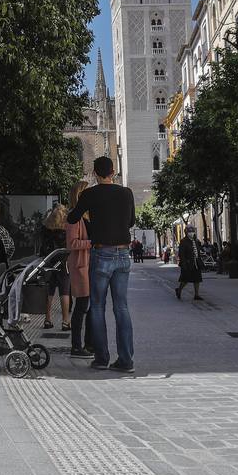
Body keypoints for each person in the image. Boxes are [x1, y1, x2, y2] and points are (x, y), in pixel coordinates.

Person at [66, 156, 136, 373]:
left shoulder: (89, 194)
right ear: (112, 172)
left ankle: (101, 358)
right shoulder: (126, 193)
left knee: (97, 306)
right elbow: (131, 222)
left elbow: (72, 218)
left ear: (95, 174)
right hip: (124, 254)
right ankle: (126, 360)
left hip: (101, 253)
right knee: (121, 306)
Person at [65, 179, 94, 358]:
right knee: (81, 306)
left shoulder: (87, 216)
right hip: (81, 267)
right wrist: (92, 243)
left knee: (91, 307)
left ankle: (89, 344)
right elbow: (72, 243)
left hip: (91, 266)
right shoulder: (74, 217)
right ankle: (77, 346)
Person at [40, 204, 70, 331]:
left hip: (48, 262)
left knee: (49, 291)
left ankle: (47, 320)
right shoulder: (66, 228)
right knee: (64, 292)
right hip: (63, 263)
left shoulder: (46, 228)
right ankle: (65, 321)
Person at [176, 225, 204, 301]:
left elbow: (198, 251)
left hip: (196, 262)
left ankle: (196, 294)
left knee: (197, 279)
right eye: (189, 232)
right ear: (186, 232)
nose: (191, 233)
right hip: (188, 263)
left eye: (192, 231)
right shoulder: (183, 241)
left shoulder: (196, 241)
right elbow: (181, 253)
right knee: (185, 279)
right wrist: (184, 263)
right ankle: (179, 290)